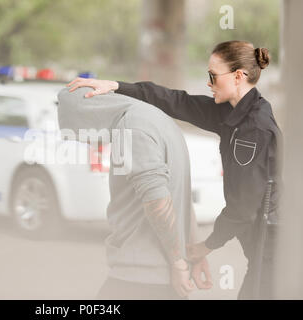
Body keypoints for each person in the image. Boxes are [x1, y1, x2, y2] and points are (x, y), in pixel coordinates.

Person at [67, 40, 282, 299]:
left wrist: (205, 247)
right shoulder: (232, 113)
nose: (208, 83)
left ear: (238, 76)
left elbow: (243, 208)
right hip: (263, 248)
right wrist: (117, 86)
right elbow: (176, 101)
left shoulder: (253, 129)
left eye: (213, 76)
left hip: (274, 250)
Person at [57, 87, 212, 299]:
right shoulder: (158, 118)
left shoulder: (131, 128)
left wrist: (178, 264)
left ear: (87, 118)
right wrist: (194, 254)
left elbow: (158, 201)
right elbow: (181, 197)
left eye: (81, 134)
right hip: (161, 278)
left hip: (140, 278)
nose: (88, 142)